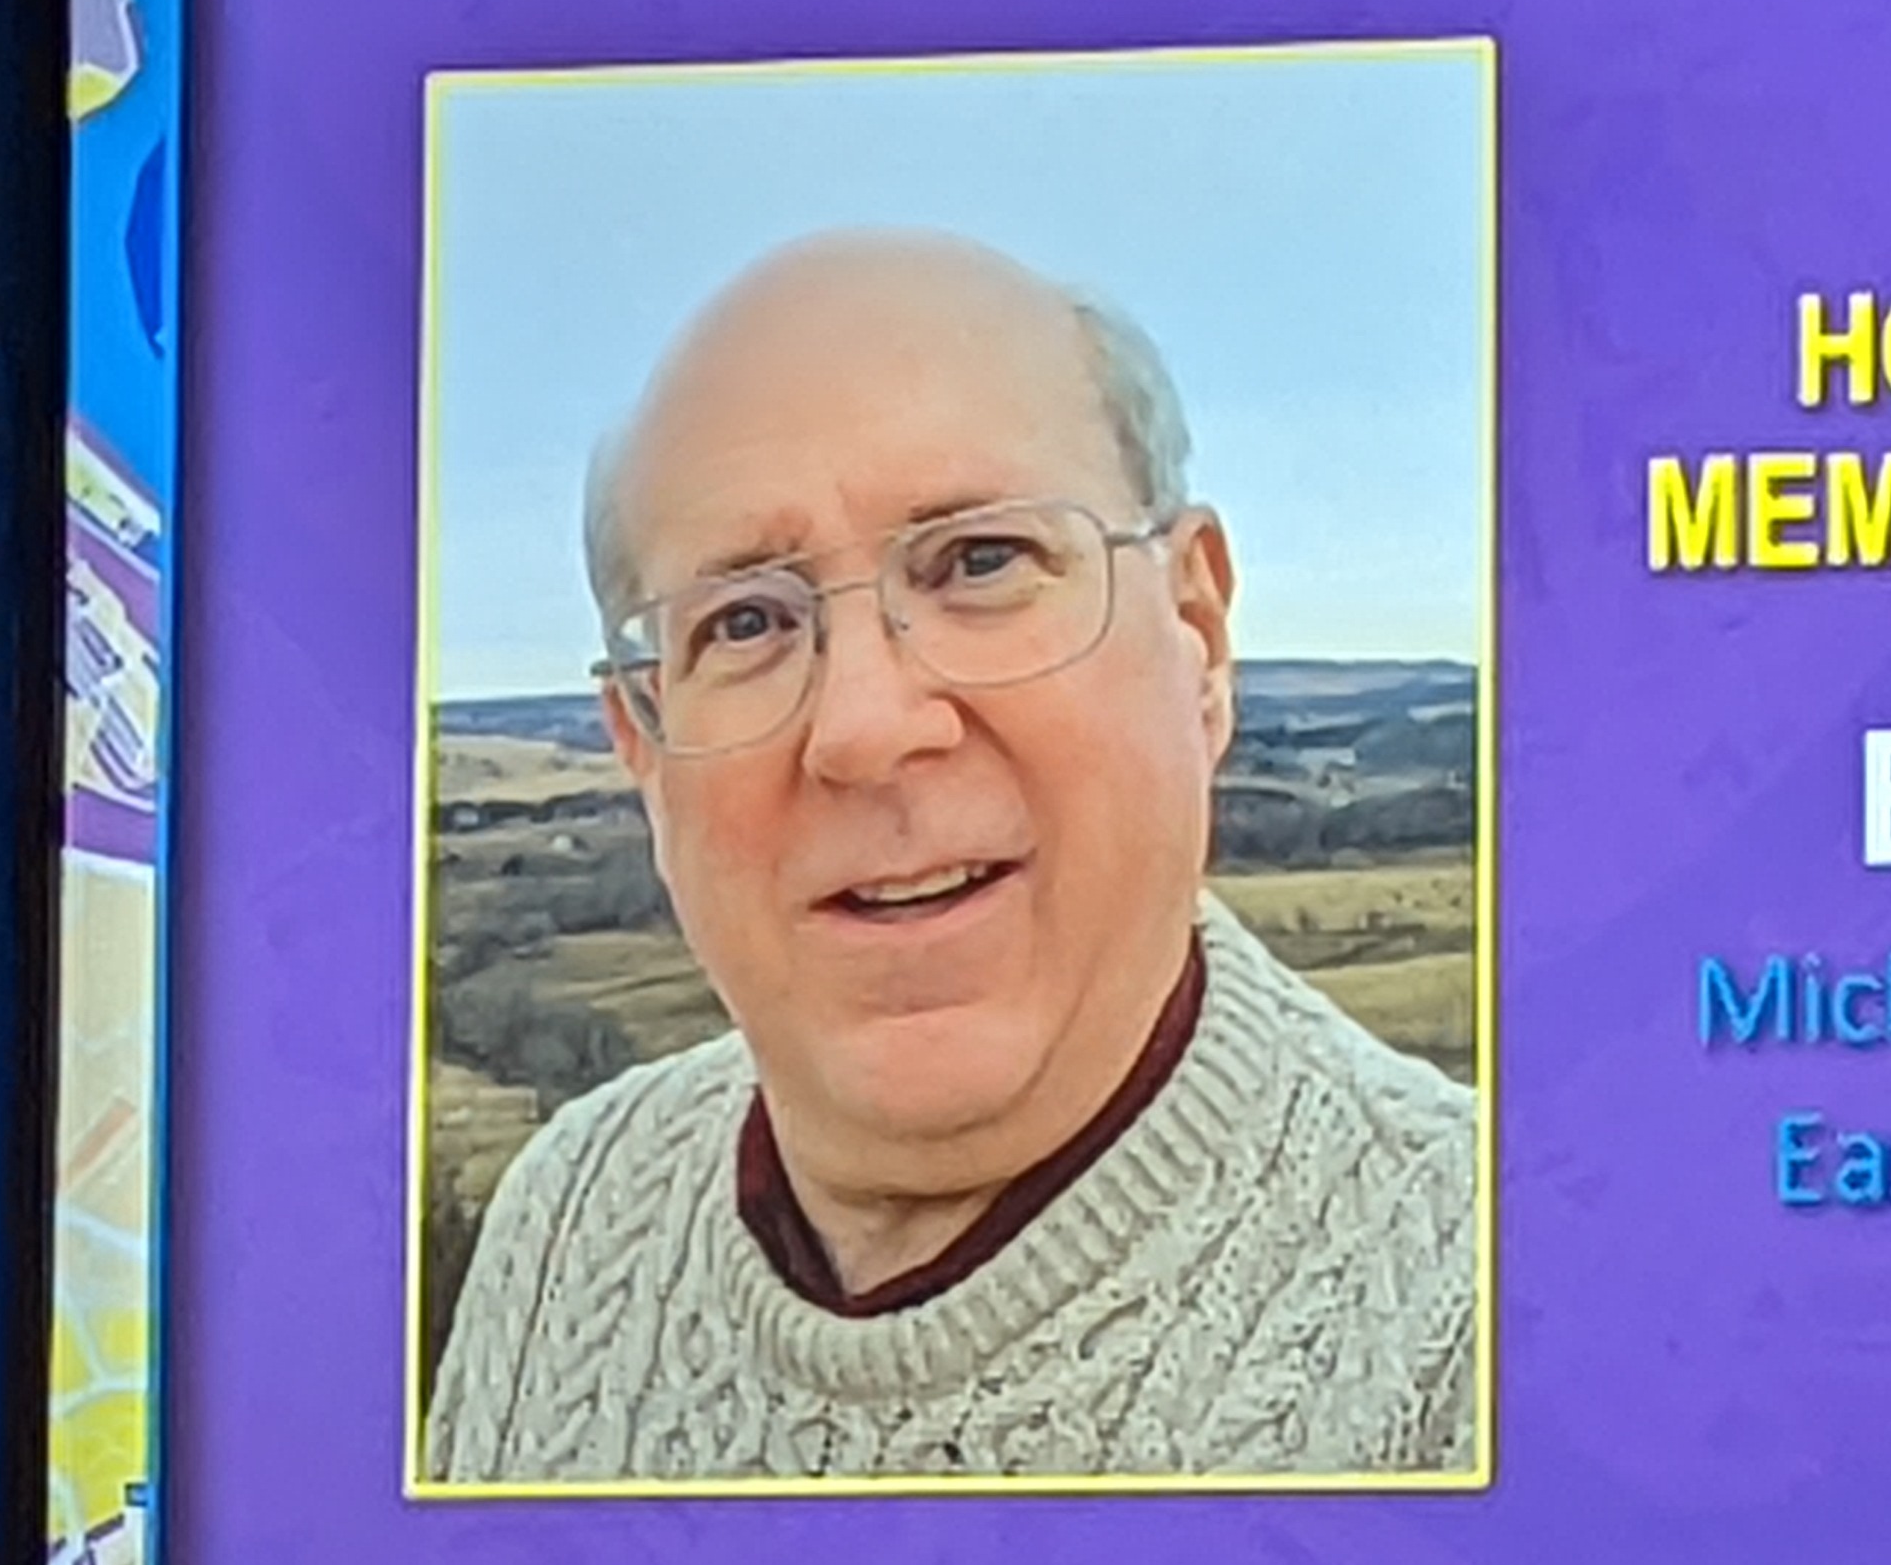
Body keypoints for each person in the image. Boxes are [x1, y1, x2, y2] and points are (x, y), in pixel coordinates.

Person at [422, 228, 1480, 1488]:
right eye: (745, 621)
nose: (866, 729)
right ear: (641, 745)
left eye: (982, 562)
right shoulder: (567, 1224)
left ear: (1196, 637)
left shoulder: (1495, 1317)